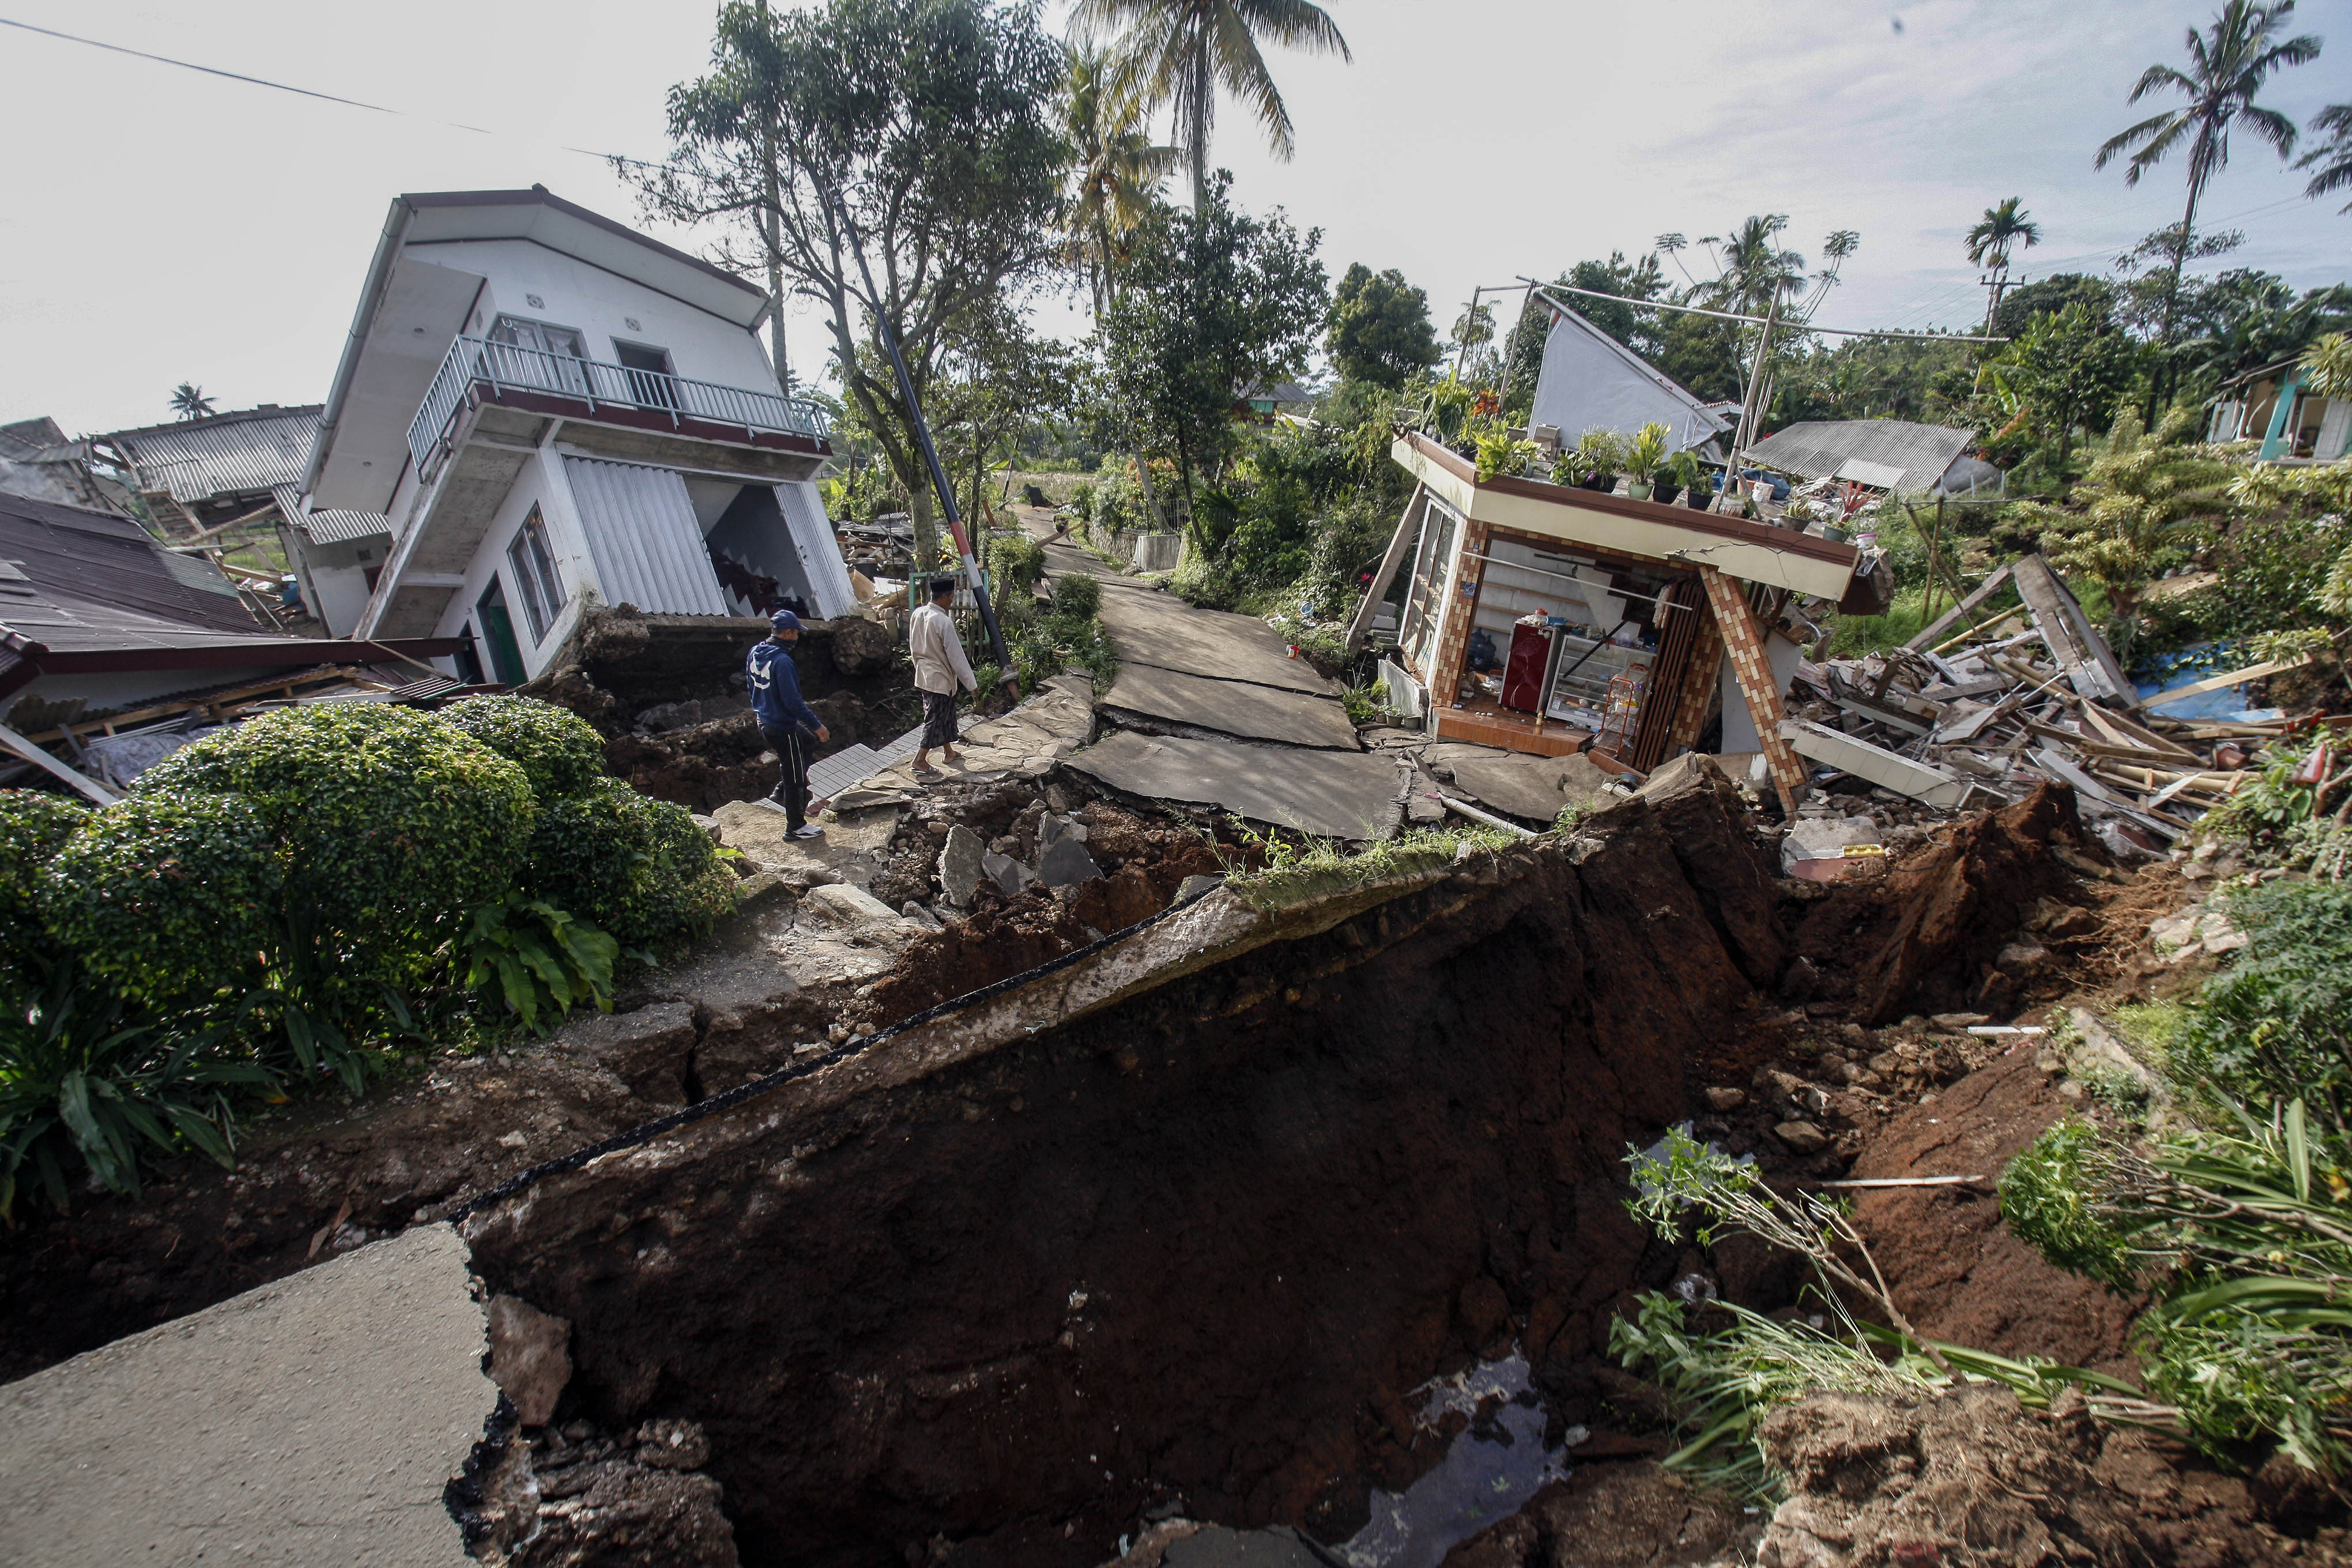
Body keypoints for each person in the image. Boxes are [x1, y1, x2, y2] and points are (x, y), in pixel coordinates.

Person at [746, 609, 830, 837]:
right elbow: (794, 702)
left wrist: (761, 710)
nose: (798, 638)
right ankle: (795, 827)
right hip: (783, 728)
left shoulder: (756, 652)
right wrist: (817, 725)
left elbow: (750, 686)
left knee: (808, 741)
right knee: (795, 777)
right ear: (789, 632)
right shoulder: (783, 662)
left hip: (765, 721)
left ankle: (782, 789)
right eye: (797, 633)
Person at [908, 575, 976, 780]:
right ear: (946, 596)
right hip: (940, 679)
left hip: (924, 675)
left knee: (944, 715)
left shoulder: (918, 614)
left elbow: (912, 647)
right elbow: (957, 658)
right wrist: (972, 686)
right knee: (935, 720)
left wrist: (918, 667)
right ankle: (920, 760)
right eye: (952, 596)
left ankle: (948, 752)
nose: (953, 599)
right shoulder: (943, 622)